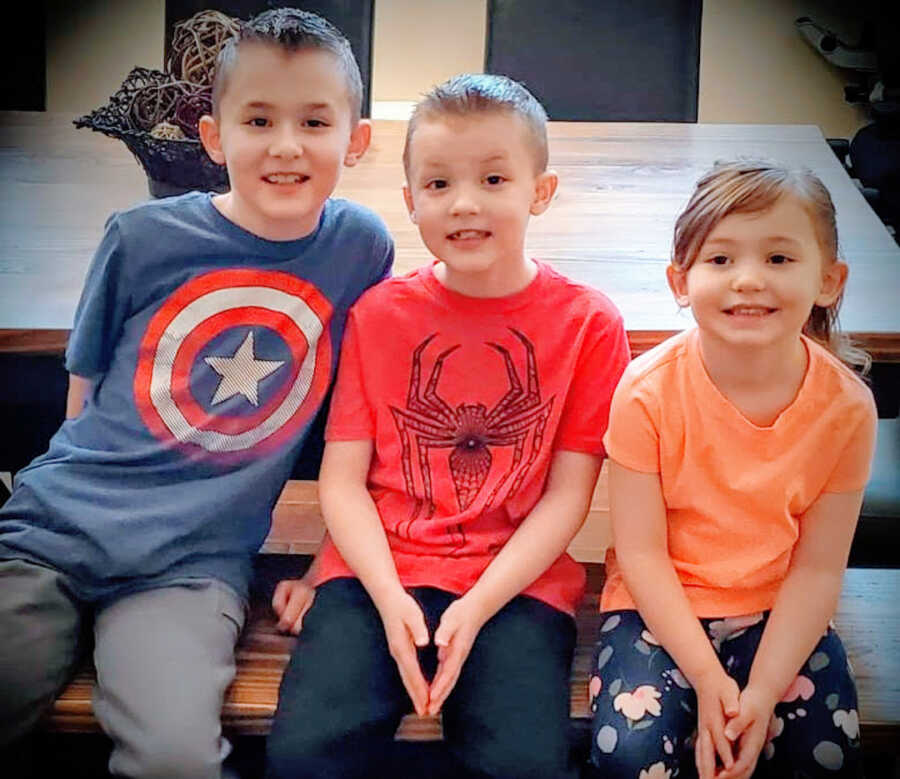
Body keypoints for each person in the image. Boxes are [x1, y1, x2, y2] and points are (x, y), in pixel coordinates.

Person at [0, 8, 392, 778]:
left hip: (191, 566)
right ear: (214, 137)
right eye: (258, 119)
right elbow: (82, 387)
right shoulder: (139, 238)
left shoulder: (360, 247)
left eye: (315, 120)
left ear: (357, 139)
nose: (286, 144)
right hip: (51, 537)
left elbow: (366, 410)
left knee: (175, 754)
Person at [265, 73, 631, 779]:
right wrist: (387, 595)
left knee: (524, 763)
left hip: (515, 584)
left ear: (540, 191)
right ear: (410, 201)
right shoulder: (378, 315)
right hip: (375, 570)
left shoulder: (590, 324)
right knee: (305, 752)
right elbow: (343, 482)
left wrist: (478, 604)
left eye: (494, 178)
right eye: (438, 185)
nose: (464, 204)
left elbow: (567, 495)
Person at [588, 160, 877, 779]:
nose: (748, 280)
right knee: (632, 757)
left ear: (828, 281)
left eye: (778, 259)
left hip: (782, 609)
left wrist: (763, 691)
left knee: (824, 759)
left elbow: (820, 567)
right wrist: (704, 675)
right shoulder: (645, 392)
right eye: (720, 260)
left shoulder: (848, 409)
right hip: (655, 608)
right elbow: (642, 556)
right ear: (680, 282)